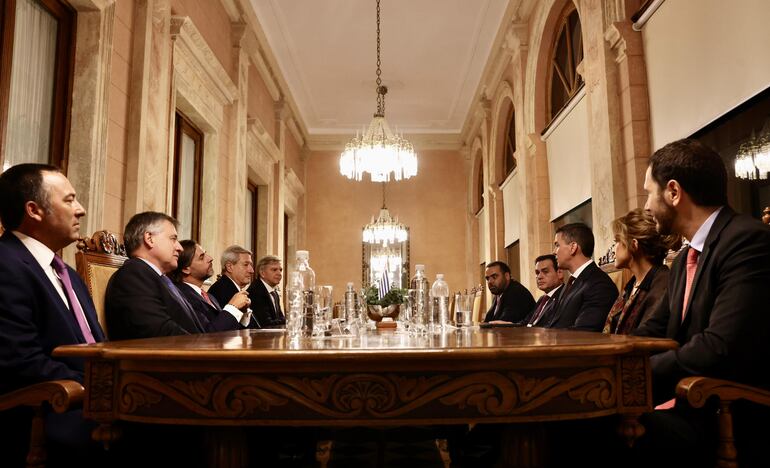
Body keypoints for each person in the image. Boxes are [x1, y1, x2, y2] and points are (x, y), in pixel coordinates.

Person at [632, 139, 770, 467]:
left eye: (649, 193)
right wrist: (606, 361)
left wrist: (634, 379)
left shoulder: (747, 241)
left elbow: (719, 347)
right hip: (687, 402)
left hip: (730, 413)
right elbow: (652, 331)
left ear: (674, 192)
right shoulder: (682, 260)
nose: (647, 206)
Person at [0, 163, 106, 465]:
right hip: (45, 410)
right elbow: (20, 361)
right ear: (34, 210)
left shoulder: (68, 274)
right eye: (69, 200)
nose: (81, 209)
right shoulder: (5, 264)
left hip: (88, 400)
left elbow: (94, 344)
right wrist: (101, 388)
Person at [105, 212, 211, 339]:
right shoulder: (133, 276)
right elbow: (161, 333)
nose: (180, 248)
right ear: (149, 239)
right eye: (173, 239)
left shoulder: (158, 277)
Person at [603, 208, 679, 334]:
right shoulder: (632, 285)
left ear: (634, 245)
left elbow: (647, 336)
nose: (612, 250)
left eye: (617, 241)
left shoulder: (663, 284)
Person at [546, 223, 617, 330]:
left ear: (573, 248)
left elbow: (585, 331)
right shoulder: (571, 282)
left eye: (557, 245)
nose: (554, 252)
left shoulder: (599, 284)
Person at [170, 240, 253, 331]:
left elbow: (230, 331)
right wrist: (233, 307)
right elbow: (208, 334)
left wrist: (243, 313)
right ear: (186, 269)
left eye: (206, 254)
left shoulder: (209, 297)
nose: (210, 258)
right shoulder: (181, 297)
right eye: (202, 257)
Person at [523, 254, 564, 327]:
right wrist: (508, 325)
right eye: (537, 273)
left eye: (545, 271)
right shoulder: (542, 299)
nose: (539, 277)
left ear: (559, 273)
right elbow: (527, 322)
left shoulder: (564, 296)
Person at [246, 255, 286, 327]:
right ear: (262, 273)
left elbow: (280, 317)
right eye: (274, 270)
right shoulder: (256, 291)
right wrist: (290, 320)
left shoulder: (274, 292)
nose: (279, 273)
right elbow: (266, 324)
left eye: (280, 270)